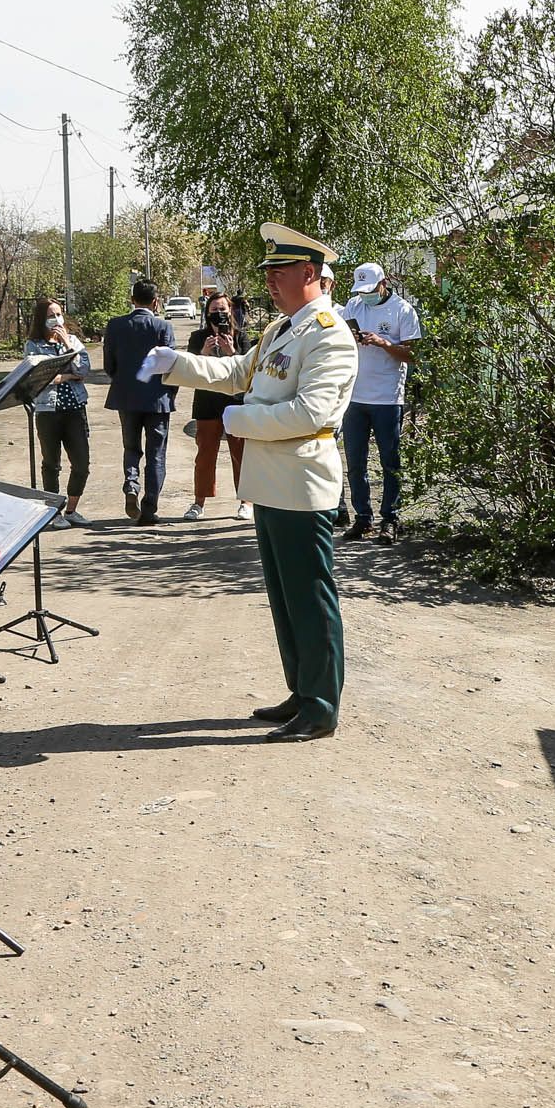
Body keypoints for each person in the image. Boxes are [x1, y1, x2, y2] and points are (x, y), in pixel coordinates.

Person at [140, 223, 356, 740]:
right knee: (285, 597)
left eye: (279, 273)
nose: (270, 282)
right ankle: (302, 691)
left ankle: (322, 706)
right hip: (273, 482)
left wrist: (239, 421)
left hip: (302, 482)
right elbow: (240, 372)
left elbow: (312, 411)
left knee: (309, 596)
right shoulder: (281, 329)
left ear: (310, 273)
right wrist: (179, 364)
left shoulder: (329, 333)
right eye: (268, 274)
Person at [338, 262, 420, 543]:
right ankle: (363, 518)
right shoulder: (353, 305)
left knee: (389, 461)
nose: (365, 295)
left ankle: (391, 518)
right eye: (360, 290)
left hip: (387, 397)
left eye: (370, 290)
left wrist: (383, 343)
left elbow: (412, 354)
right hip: (354, 397)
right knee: (355, 463)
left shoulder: (402, 310)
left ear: (383, 283)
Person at [100, 278, 176, 526]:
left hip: (127, 397)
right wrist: (169, 394)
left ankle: (131, 484)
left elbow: (109, 366)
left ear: (132, 300)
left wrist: (124, 383)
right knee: (156, 454)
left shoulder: (115, 326)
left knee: (131, 447)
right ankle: (149, 508)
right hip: (157, 399)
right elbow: (171, 367)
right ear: (156, 302)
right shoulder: (162, 327)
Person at [21, 296, 93, 527]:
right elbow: (41, 377)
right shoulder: (33, 345)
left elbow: (83, 370)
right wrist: (67, 375)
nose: (56, 319)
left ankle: (71, 509)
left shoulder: (72, 341)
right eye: (51, 315)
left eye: (59, 314)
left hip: (74, 408)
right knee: (51, 463)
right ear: (42, 319)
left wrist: (69, 348)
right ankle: (55, 513)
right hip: (47, 410)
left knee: (81, 463)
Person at [183, 297, 247, 523]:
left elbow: (248, 372)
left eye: (222, 309)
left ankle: (245, 502)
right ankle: (199, 502)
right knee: (205, 455)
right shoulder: (197, 337)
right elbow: (189, 369)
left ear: (230, 311)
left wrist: (232, 353)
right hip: (207, 402)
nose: (218, 313)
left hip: (236, 403)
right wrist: (203, 353)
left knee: (241, 454)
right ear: (206, 311)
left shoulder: (241, 336)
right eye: (214, 309)